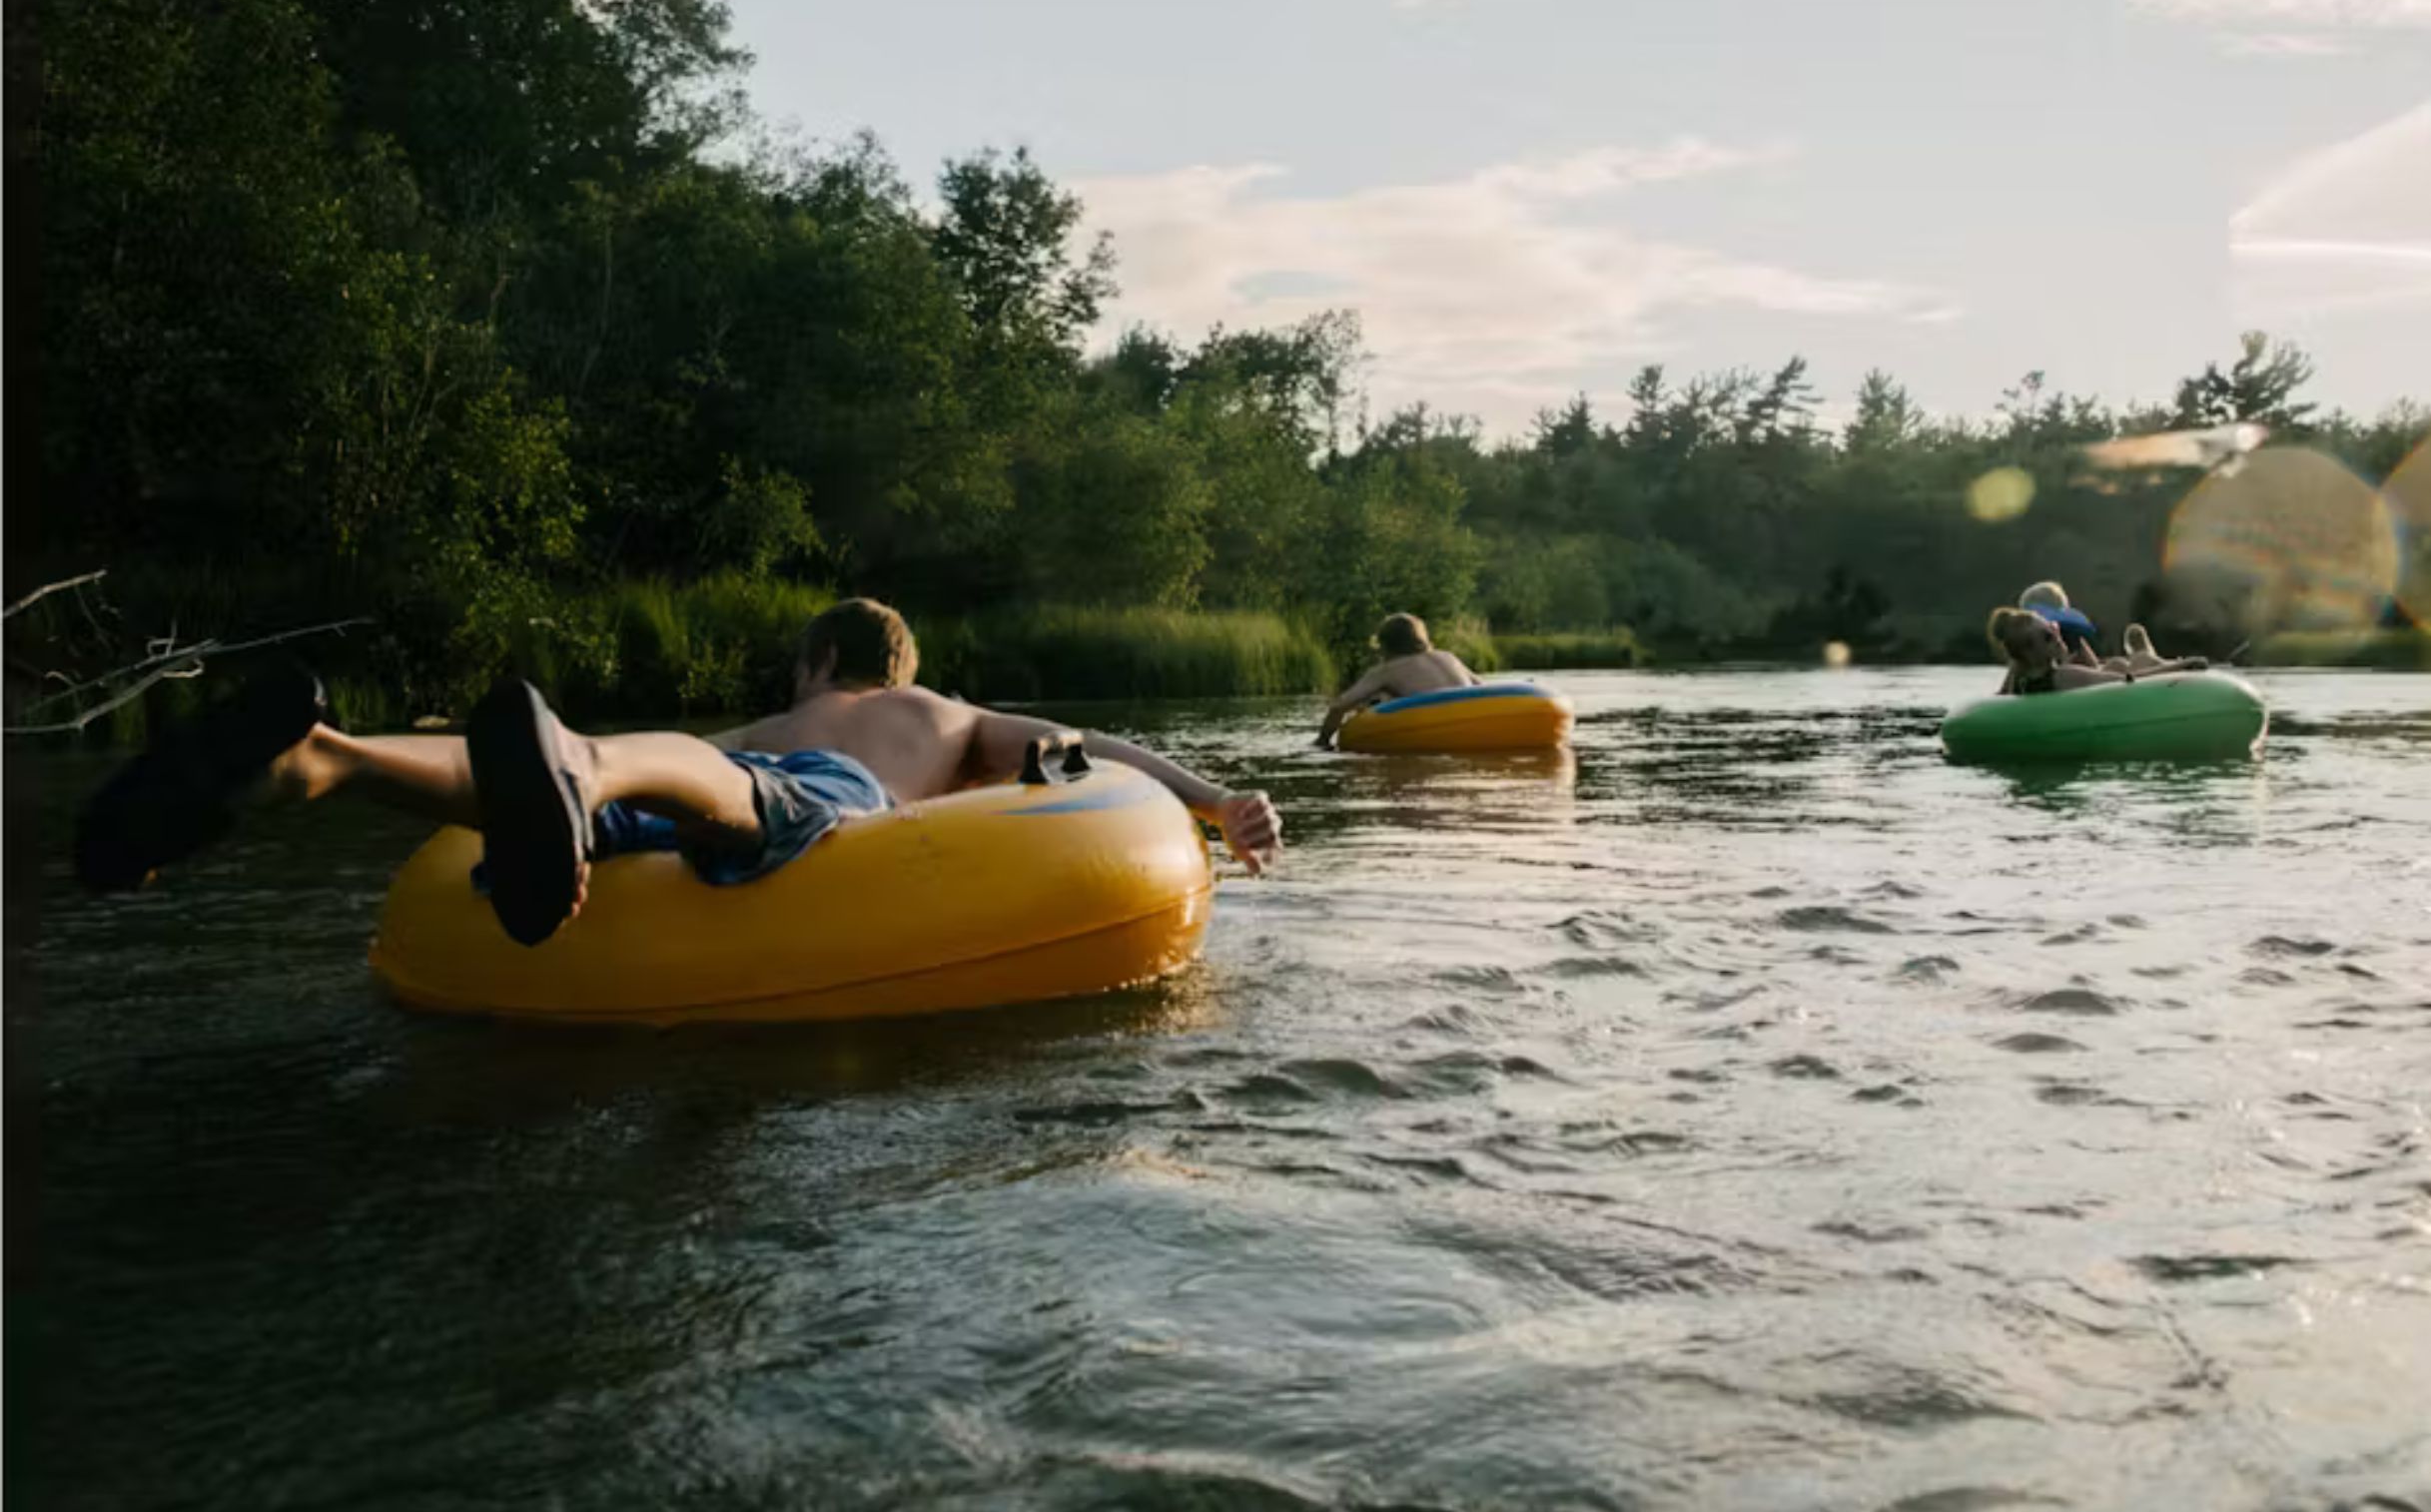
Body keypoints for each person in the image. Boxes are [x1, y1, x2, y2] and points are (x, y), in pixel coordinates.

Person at [75, 598, 1283, 947]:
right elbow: (1085, 755)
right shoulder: (942, 714)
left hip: (709, 796)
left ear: (819, 658)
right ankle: (556, 771)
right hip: (799, 818)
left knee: (641, 776)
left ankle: (332, 761)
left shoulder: (779, 718)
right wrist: (1209, 800)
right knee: (668, 782)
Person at [1313, 612, 1479, 749]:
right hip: (1475, 720)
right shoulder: (1447, 657)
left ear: (1384, 644)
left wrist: (1322, 742)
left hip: (1435, 727)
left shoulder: (1386, 670)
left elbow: (1339, 706)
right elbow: (1480, 688)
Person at [1989, 606, 2204, 696]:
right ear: (2029, 653)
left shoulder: (2018, 677)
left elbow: (1998, 697)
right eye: (2047, 636)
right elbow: (2127, 679)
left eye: (2053, 628)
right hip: (2118, 678)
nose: (2057, 636)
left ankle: (2142, 652)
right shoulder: (2064, 676)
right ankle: (2145, 653)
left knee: (2117, 663)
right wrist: (2182, 666)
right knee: (2125, 664)